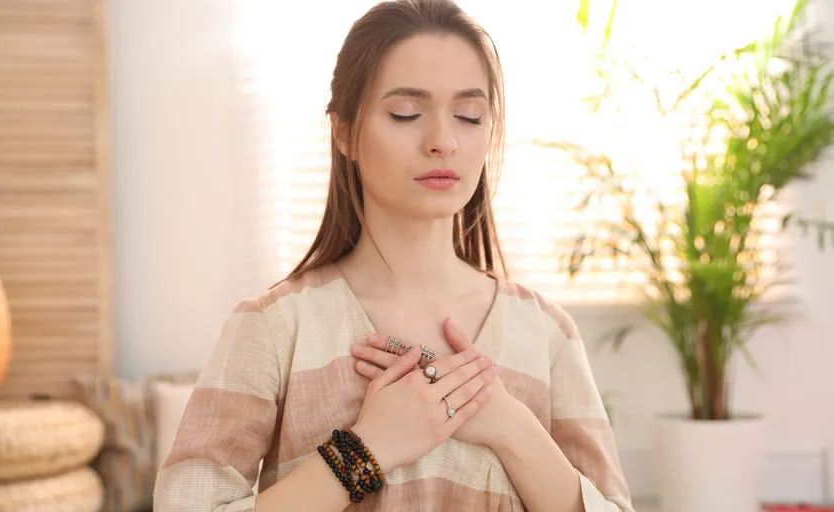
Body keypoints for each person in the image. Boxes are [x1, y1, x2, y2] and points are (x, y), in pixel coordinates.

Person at [153, 0, 634, 510]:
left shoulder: (545, 334)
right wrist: (364, 451)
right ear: (344, 132)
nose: (443, 141)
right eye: (407, 113)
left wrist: (508, 424)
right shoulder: (274, 328)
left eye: (470, 116)